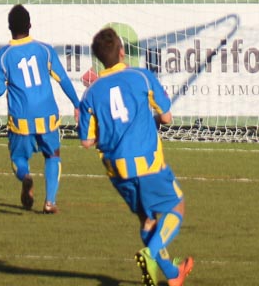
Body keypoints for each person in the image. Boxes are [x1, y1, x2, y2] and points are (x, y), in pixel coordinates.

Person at [78, 26, 194, 286]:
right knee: (177, 206)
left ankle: (173, 275)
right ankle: (151, 253)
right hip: (147, 163)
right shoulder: (141, 76)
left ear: (99, 59)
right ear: (122, 51)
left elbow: (86, 141)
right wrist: (154, 120)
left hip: (117, 170)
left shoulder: (91, 93)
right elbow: (166, 117)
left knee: (147, 219)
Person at [0, 4, 79, 214]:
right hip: (47, 115)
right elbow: (63, 79)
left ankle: (26, 177)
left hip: (21, 118)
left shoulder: (2, 56)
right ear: (30, 25)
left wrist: (0, 81)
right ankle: (50, 202)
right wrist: (77, 104)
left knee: (18, 158)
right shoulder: (45, 50)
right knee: (53, 155)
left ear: (9, 27)